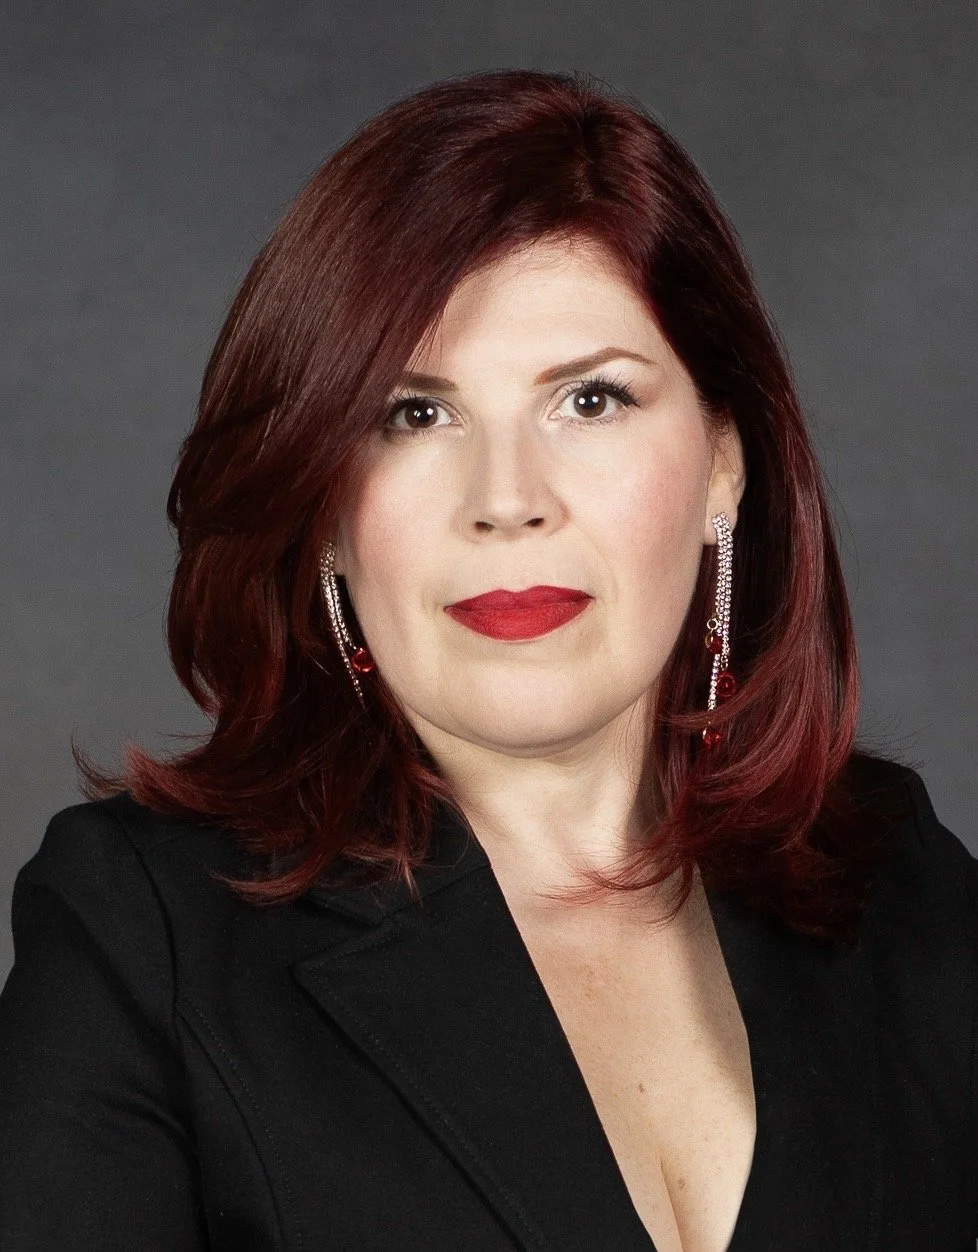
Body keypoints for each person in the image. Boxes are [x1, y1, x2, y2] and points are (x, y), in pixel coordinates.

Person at [0, 67, 973, 1252]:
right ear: (324, 509)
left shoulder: (901, 883)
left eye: (592, 400)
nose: (506, 501)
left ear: (724, 460)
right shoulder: (139, 938)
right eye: (414, 414)